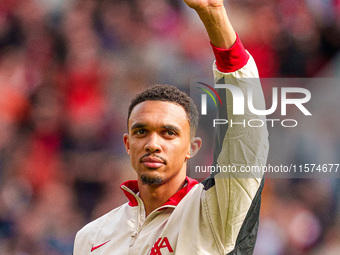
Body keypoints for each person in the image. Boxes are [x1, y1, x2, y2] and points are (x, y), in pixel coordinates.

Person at [73, 0, 269, 254]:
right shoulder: (90, 237)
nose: (153, 144)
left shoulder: (214, 213)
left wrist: (214, 14)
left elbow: (246, 136)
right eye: (141, 131)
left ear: (192, 147)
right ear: (127, 144)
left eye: (169, 133)